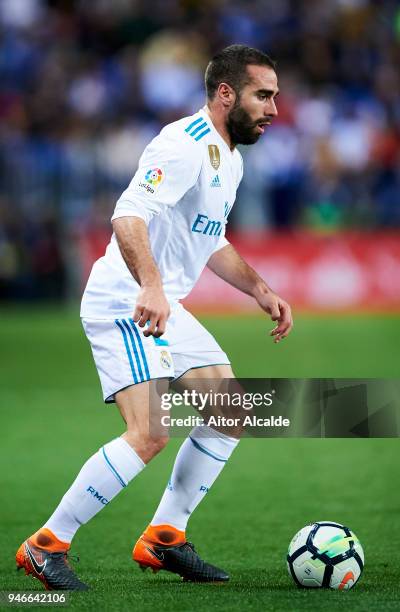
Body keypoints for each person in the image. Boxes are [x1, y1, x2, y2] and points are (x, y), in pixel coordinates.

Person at [16, 44, 293, 591]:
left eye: (276, 97)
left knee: (231, 409)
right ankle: (45, 546)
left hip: (163, 301)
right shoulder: (184, 144)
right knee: (149, 432)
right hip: (128, 299)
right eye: (264, 95)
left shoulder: (228, 158)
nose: (274, 109)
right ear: (225, 93)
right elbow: (129, 213)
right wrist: (151, 285)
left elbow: (207, 240)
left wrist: (259, 288)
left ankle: (165, 536)